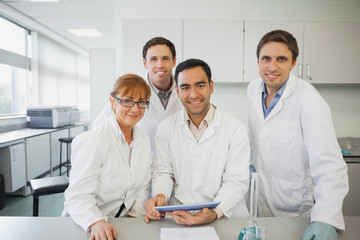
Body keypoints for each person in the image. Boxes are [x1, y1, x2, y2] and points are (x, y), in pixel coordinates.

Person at [247, 29, 349, 240]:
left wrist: (326, 219)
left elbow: (329, 165)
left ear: (293, 63)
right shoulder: (253, 89)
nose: (272, 66)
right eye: (266, 58)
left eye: (281, 59)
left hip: (294, 208)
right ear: (258, 60)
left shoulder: (309, 100)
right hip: (261, 202)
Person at [145, 58, 250, 225]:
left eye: (200, 85)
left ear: (211, 87)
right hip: (180, 216)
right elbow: (163, 172)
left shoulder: (235, 128)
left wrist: (214, 213)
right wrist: (160, 196)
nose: (193, 94)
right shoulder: (167, 128)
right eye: (186, 87)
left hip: (224, 217)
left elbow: (236, 181)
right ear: (177, 91)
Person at [62, 74, 152, 240]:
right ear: (112, 101)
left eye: (142, 102)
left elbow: (142, 186)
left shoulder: (143, 140)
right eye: (127, 100)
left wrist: (134, 217)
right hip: (87, 225)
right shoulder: (93, 141)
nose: (135, 108)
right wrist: (95, 222)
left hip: (123, 223)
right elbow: (77, 196)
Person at [93, 37, 183, 155]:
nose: (160, 64)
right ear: (145, 63)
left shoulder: (185, 90)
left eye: (165, 58)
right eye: (153, 59)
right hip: (141, 166)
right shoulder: (131, 90)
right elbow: (99, 127)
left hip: (177, 164)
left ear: (174, 61)